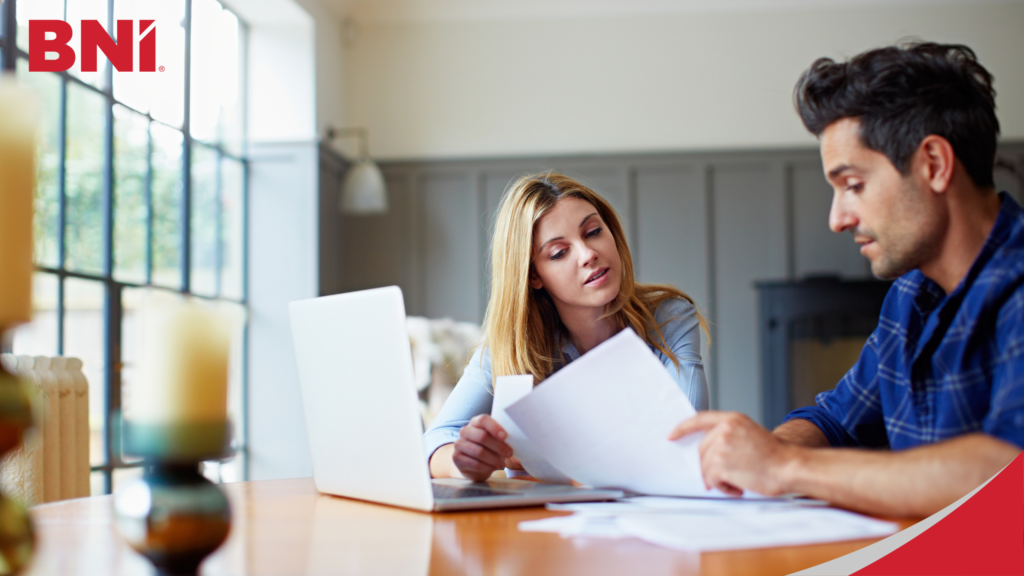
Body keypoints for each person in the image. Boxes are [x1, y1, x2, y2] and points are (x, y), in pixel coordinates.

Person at [669, 42, 1023, 517]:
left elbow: (1007, 472)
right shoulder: (911, 294)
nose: (837, 219)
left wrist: (785, 466)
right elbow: (836, 419)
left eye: (853, 185)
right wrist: (755, 455)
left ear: (934, 165)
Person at [426, 173, 710, 481]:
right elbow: (434, 441)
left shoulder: (670, 317)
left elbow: (687, 433)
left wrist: (543, 454)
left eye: (593, 232)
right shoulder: (512, 344)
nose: (589, 254)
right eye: (559, 252)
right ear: (533, 276)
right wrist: (465, 460)